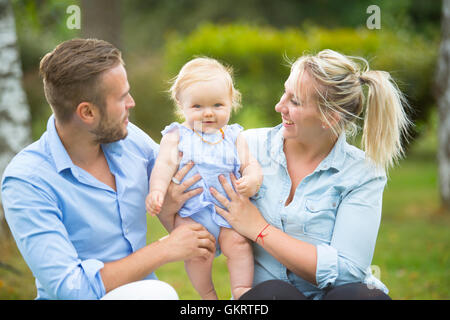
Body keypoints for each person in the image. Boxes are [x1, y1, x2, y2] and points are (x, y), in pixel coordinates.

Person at [0, 38, 215, 300]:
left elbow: (192, 185)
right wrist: (164, 249)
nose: (132, 103)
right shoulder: (27, 180)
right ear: (87, 112)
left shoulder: (129, 140)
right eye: (122, 97)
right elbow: (71, 288)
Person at [208, 49, 411, 300]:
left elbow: (348, 271)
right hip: (270, 298)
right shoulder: (246, 147)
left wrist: (259, 229)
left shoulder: (362, 173)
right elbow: (205, 228)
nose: (279, 105)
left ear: (330, 117)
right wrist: (170, 204)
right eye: (285, 92)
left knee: (363, 297)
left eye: (295, 101)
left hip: (334, 296)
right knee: (274, 293)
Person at [146, 57, 262, 300]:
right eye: (197, 107)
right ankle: (208, 295)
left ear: (231, 101)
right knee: (197, 254)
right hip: (193, 214)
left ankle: (241, 292)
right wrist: (157, 190)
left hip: (229, 213)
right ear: (181, 104)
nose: (208, 113)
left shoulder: (234, 136)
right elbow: (164, 165)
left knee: (240, 246)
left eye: (218, 105)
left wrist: (252, 179)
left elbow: (249, 163)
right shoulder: (176, 136)